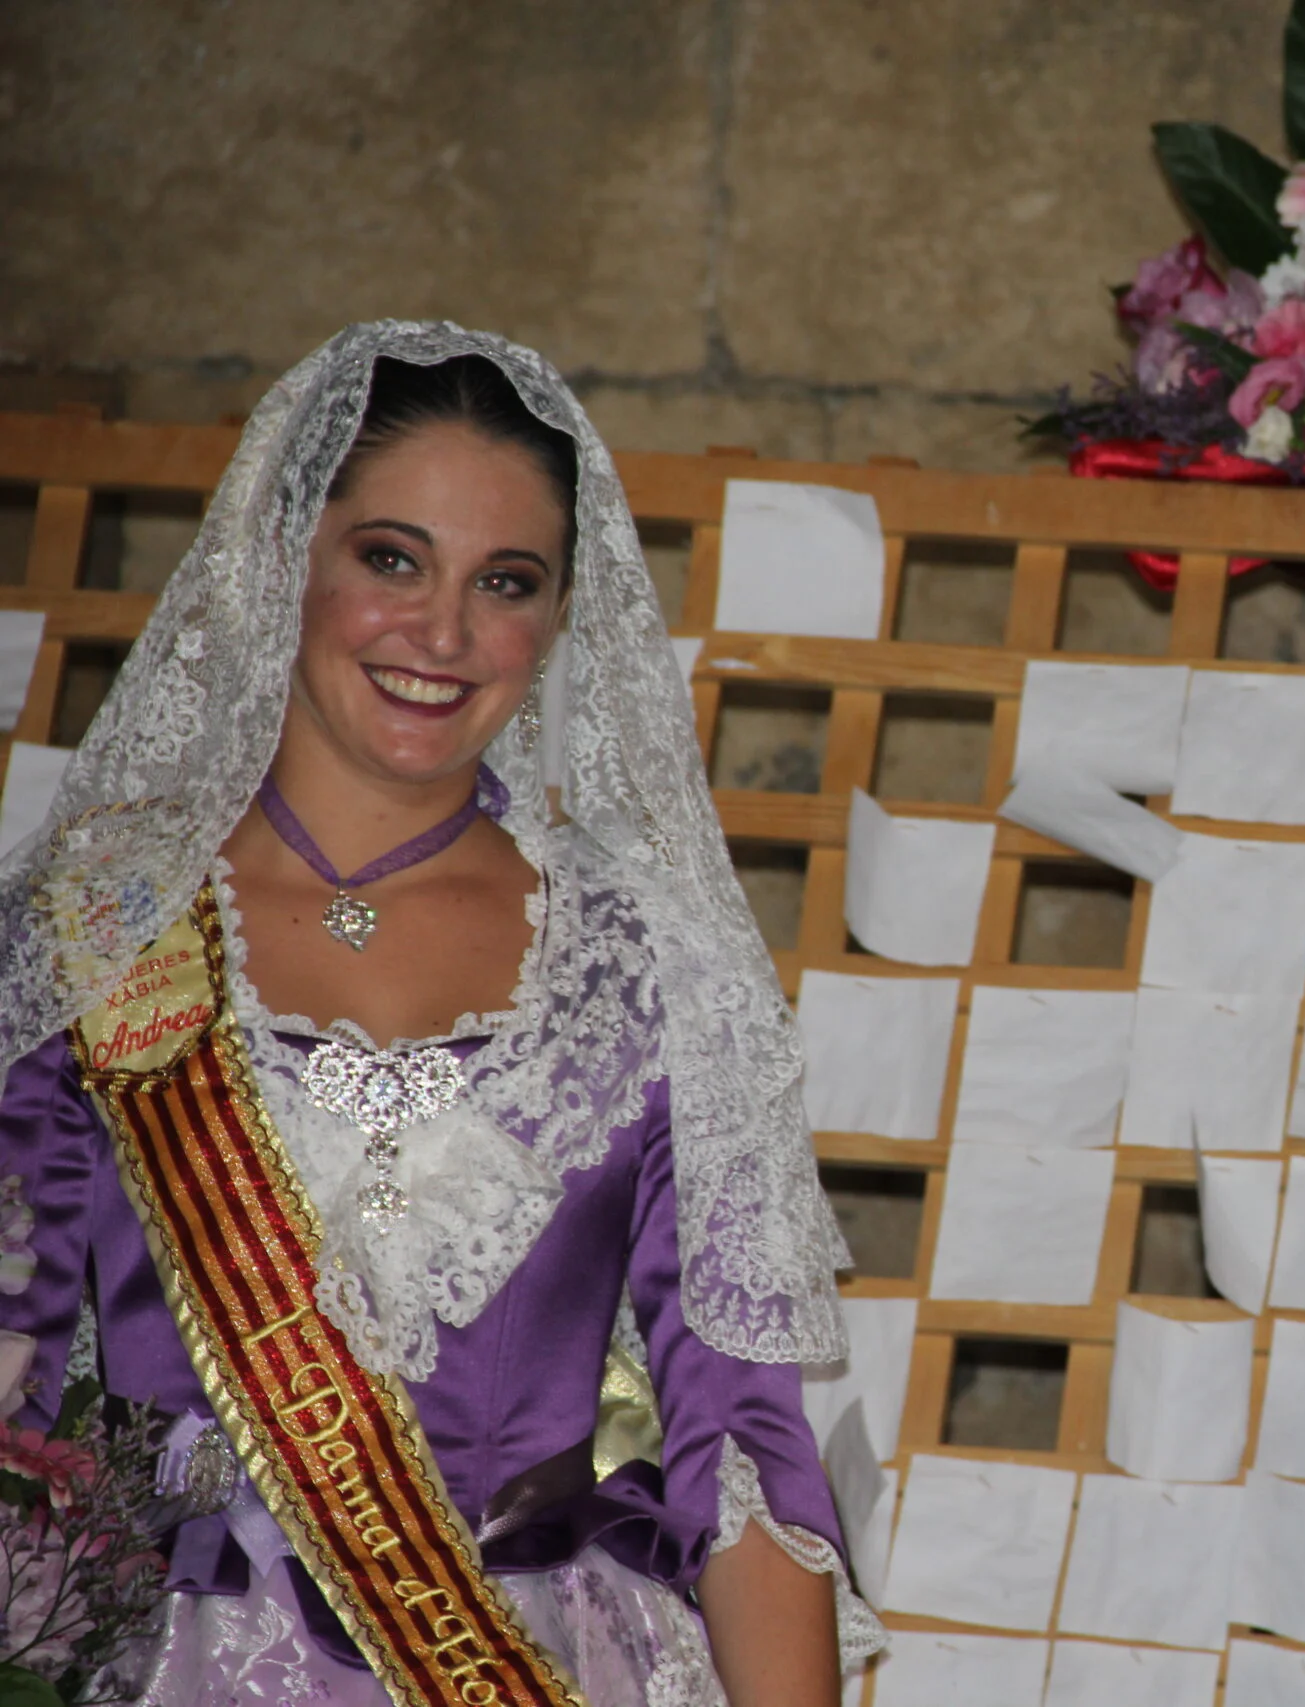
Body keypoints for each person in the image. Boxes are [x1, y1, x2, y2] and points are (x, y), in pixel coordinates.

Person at [0, 322, 883, 1704]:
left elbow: (741, 1441)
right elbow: (15, 1363)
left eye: (509, 581)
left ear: (561, 616)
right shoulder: (94, 929)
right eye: (392, 558)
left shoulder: (651, 958)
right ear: (285, 555)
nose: (446, 632)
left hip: (536, 1663)